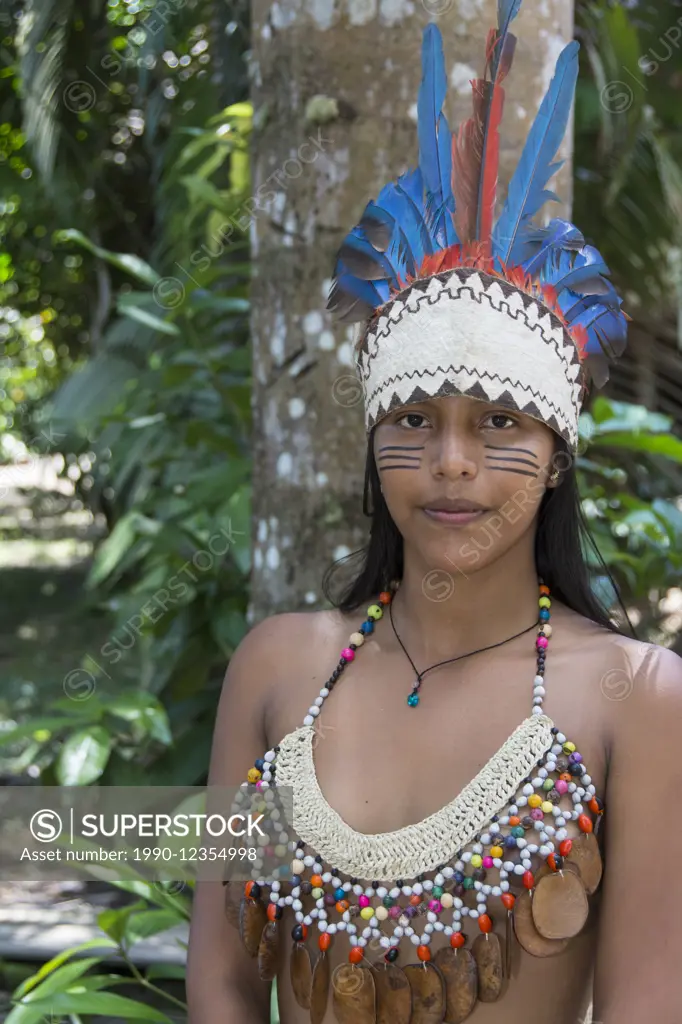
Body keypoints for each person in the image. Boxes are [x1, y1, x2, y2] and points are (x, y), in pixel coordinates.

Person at [186, 8, 682, 1024]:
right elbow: (223, 979)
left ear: (554, 458)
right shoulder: (277, 669)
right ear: (373, 440)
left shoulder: (638, 697)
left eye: (498, 422)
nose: (451, 463)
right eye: (414, 418)